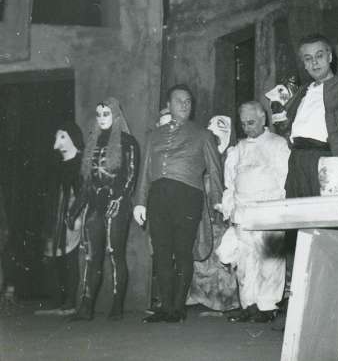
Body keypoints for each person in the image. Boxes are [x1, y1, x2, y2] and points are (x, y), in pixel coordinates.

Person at [133, 84, 224, 323]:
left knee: (183, 251)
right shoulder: (153, 135)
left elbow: (215, 170)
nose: (184, 105)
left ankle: (177, 308)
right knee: (161, 252)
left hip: (188, 196)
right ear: (168, 105)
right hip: (157, 197)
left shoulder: (203, 134)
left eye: (188, 101)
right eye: (179, 100)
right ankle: (165, 307)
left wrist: (218, 201)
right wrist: (140, 202)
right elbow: (145, 171)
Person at [216, 102, 290, 323]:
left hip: (269, 210)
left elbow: (284, 179)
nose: (247, 128)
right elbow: (230, 183)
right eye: (243, 124)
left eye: (251, 122)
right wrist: (229, 209)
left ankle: (268, 307)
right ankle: (249, 305)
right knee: (245, 263)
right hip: (243, 212)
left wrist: (280, 210)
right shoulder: (238, 149)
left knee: (270, 261)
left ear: (263, 119)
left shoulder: (277, 144)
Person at [68, 99, 139, 320]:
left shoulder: (128, 142)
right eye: (98, 114)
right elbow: (86, 181)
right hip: (94, 204)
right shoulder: (92, 141)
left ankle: (117, 306)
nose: (101, 118)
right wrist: (75, 209)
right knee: (91, 257)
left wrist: (119, 198)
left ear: (116, 115)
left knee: (115, 254)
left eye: (106, 113)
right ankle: (86, 307)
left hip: (116, 204)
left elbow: (131, 176)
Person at [284, 34, 338, 198]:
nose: (314, 62)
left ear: (330, 57)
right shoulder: (302, 92)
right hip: (297, 161)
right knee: (296, 210)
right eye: (308, 58)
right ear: (304, 64)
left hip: (326, 160)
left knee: (325, 209)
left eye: (319, 56)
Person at [186, 115, 239, 314]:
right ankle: (201, 296)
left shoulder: (233, 156)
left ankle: (223, 301)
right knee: (202, 252)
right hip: (204, 212)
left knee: (222, 255)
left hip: (223, 214)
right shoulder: (202, 155)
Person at [36, 123, 84, 316]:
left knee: (71, 257)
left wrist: (78, 216)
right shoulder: (55, 165)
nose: (59, 142)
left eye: (63, 136)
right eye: (57, 137)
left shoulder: (81, 163)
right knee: (51, 257)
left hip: (72, 216)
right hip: (54, 218)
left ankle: (70, 302)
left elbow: (83, 193)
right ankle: (57, 301)